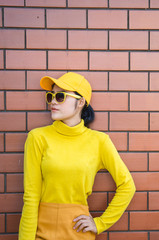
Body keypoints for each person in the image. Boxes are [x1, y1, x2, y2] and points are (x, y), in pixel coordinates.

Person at [18, 72, 136, 239]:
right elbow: (31, 196)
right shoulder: (37, 137)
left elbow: (127, 186)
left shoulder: (99, 141)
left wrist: (100, 223)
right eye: (50, 96)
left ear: (81, 102)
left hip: (79, 234)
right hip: (41, 233)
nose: (52, 101)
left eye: (60, 96)